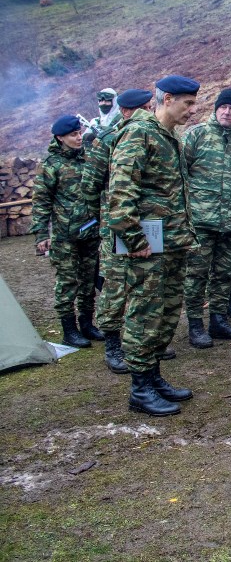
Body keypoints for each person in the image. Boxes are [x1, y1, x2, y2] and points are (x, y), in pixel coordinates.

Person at [107, 75, 200, 417]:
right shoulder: (139, 132)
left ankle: (154, 376)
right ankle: (140, 388)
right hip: (145, 247)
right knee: (144, 314)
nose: (192, 110)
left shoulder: (169, 136)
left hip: (171, 243)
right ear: (167, 99)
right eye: (188, 103)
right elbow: (121, 192)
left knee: (166, 312)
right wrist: (133, 239)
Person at [82, 89, 155, 373]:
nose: (149, 113)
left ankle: (142, 342)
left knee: (146, 284)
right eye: (143, 108)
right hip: (116, 226)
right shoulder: (107, 140)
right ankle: (112, 344)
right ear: (125, 111)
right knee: (114, 286)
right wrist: (105, 216)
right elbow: (90, 186)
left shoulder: (151, 135)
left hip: (147, 225)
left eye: (150, 107)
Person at [182, 88, 231, 348]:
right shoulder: (196, 135)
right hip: (200, 222)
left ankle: (218, 320)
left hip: (230, 222)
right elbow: (179, 175)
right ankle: (195, 325)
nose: (227, 112)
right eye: (223, 107)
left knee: (225, 274)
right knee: (196, 275)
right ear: (216, 109)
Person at [30, 114, 103, 348]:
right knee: (67, 282)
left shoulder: (88, 157)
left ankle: (87, 324)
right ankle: (69, 330)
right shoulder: (50, 164)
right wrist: (41, 234)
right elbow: (41, 201)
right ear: (60, 138)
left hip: (91, 231)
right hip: (65, 236)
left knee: (88, 280)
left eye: (80, 133)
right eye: (73, 135)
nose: (79, 138)